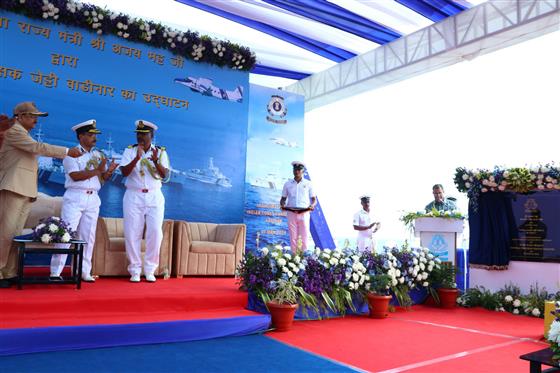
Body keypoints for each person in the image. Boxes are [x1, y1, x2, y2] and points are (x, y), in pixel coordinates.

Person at [0, 102, 82, 288]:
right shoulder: (15, 132)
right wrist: (67, 152)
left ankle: (9, 271)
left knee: (14, 235)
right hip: (12, 188)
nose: (35, 119)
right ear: (19, 117)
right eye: (31, 115)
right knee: (5, 233)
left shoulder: (23, 134)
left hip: (23, 190)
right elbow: (38, 147)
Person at [50, 120, 118, 282]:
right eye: (90, 135)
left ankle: (83, 271)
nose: (94, 137)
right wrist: (98, 170)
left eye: (95, 135)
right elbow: (75, 176)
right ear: (81, 136)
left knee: (88, 236)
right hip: (75, 196)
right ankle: (55, 271)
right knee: (66, 234)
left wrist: (108, 172)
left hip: (93, 197)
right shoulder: (72, 154)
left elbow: (101, 179)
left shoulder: (98, 155)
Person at [120, 120, 169, 283]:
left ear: (152, 135)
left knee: (155, 232)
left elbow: (165, 175)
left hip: (154, 195)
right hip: (134, 195)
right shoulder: (130, 151)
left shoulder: (161, 152)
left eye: (144, 134)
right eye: (138, 133)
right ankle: (134, 269)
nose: (140, 136)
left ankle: (150, 269)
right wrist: (136, 158)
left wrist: (155, 161)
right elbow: (124, 172)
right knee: (132, 232)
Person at [279, 161, 316, 252]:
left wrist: (312, 205)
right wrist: (282, 204)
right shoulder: (287, 184)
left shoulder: (308, 184)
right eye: (295, 169)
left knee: (304, 236)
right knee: (293, 237)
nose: (297, 171)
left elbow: (314, 199)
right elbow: (283, 198)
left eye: (299, 170)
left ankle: (305, 258)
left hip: (304, 213)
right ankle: (294, 257)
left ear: (303, 171)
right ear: (293, 170)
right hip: (291, 213)